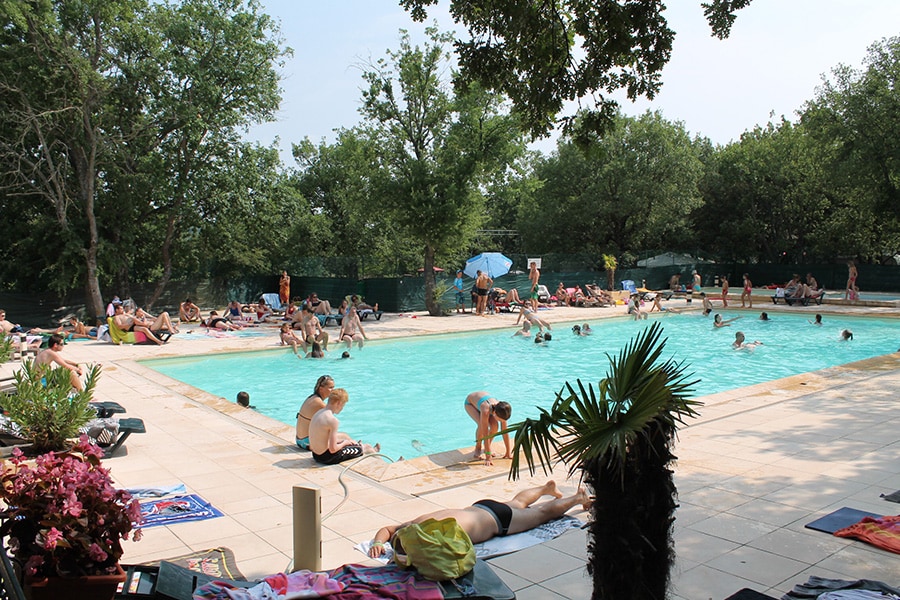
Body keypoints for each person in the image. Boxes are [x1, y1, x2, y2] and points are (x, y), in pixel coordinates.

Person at [367, 481, 591, 557]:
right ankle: (545, 488)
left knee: (542, 514)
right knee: (516, 503)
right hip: (481, 507)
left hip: (501, 522)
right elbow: (387, 529)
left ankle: (576, 497)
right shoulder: (416, 524)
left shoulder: (436, 539)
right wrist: (378, 541)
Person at [308, 388, 379, 464]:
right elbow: (333, 449)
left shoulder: (318, 413)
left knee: (347, 440)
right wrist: (345, 443)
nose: (342, 408)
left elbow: (322, 439)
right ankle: (381, 462)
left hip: (316, 455)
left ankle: (362, 447)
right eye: (343, 405)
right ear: (339, 403)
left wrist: (343, 442)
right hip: (328, 458)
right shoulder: (333, 420)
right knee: (367, 447)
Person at [464, 391, 512, 466]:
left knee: (495, 427)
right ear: (494, 414)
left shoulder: (502, 410)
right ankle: (478, 447)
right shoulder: (485, 410)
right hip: (470, 404)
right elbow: (485, 434)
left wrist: (508, 452)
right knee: (481, 425)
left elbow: (505, 431)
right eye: (500, 420)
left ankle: (487, 447)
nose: (501, 422)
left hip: (486, 403)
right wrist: (488, 457)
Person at [295, 375, 334, 450]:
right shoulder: (320, 403)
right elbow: (332, 421)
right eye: (330, 387)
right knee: (342, 438)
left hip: (299, 440)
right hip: (308, 443)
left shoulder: (311, 397)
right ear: (321, 389)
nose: (333, 390)